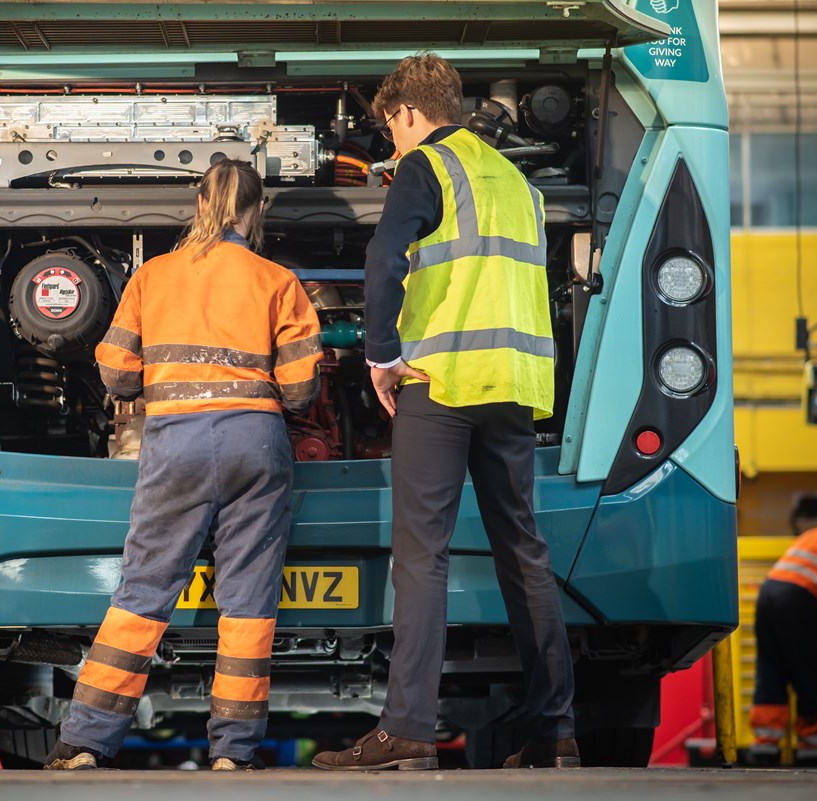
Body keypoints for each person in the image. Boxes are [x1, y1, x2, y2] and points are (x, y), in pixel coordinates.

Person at [311, 53, 577, 771]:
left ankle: (407, 729)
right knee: (525, 552)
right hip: (514, 387)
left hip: (441, 380)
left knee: (421, 555)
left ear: (406, 114)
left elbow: (383, 259)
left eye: (390, 128)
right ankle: (555, 730)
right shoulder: (515, 181)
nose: (391, 144)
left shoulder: (426, 169)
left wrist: (379, 354)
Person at [44, 159, 322, 772]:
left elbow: (116, 370)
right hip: (256, 445)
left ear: (199, 206)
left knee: (142, 593)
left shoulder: (154, 275)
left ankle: (87, 741)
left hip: (174, 445)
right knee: (248, 605)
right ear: (256, 212)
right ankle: (232, 755)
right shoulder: (278, 280)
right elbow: (301, 390)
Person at [749, 523, 817, 762]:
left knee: (771, 668)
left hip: (768, 595)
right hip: (800, 600)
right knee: (810, 671)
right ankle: (812, 748)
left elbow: (801, 577)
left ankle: (765, 746)